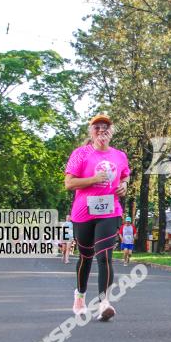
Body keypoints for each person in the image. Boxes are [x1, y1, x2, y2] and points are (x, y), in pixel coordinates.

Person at [64, 114, 130, 321]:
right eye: (97, 127)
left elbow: (125, 174)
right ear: (90, 131)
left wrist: (124, 185)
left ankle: (104, 303)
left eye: (106, 127)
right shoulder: (80, 153)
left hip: (110, 212)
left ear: (111, 132)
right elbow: (69, 183)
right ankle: (80, 298)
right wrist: (93, 179)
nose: (102, 130)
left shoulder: (119, 155)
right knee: (86, 257)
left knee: (105, 256)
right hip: (83, 213)